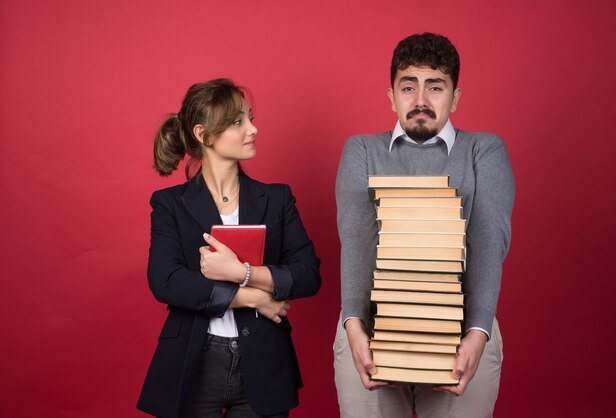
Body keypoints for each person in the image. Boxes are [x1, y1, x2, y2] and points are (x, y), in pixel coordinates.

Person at [333, 33, 515, 417]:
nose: (420, 101)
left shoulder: (484, 150)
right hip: (372, 325)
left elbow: (487, 244)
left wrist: (478, 332)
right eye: (408, 87)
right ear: (391, 95)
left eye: (435, 87)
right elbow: (357, 241)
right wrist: (354, 325)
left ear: (455, 96)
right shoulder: (362, 150)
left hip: (464, 325)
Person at [137, 79, 321, 418]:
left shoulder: (277, 198)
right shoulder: (169, 204)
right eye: (237, 121)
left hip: (264, 363)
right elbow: (165, 280)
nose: (253, 129)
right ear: (204, 134)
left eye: (250, 118)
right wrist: (251, 297)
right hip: (194, 363)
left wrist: (241, 272)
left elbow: (308, 273)